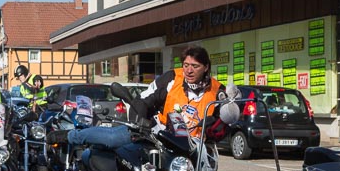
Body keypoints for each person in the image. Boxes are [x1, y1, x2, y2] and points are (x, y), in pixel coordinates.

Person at [48, 46, 228, 148]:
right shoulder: (172, 78)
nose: (189, 70)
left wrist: (219, 127)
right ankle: (70, 136)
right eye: (186, 64)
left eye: (195, 66)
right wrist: (141, 122)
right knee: (112, 138)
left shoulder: (218, 91)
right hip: (159, 134)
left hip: (190, 147)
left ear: (206, 67)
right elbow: (144, 100)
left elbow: (224, 123)